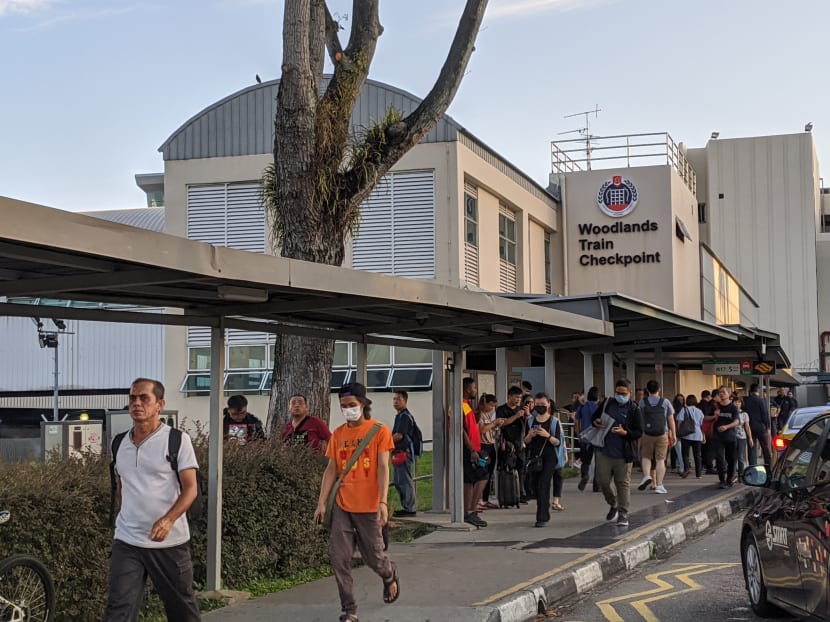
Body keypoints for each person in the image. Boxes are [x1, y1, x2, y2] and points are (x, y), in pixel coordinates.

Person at [104, 378, 201, 622]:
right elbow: (121, 486)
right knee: (118, 609)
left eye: (144, 398)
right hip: (127, 540)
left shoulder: (177, 440)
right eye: (132, 398)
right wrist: (124, 516)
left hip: (169, 543)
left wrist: (168, 520)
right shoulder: (119, 443)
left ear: (160, 404)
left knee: (181, 611)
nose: (137, 403)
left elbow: (191, 489)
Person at [314, 383, 398, 622]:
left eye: (352, 405)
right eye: (343, 406)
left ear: (363, 404)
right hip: (342, 504)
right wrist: (321, 503)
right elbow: (331, 470)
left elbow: (383, 467)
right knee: (339, 558)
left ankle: (389, 575)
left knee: (374, 557)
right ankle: (349, 609)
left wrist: (382, 502)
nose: (348, 410)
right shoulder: (338, 434)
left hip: (370, 506)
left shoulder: (379, 431)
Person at [592, 379, 643, 527]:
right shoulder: (607, 403)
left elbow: (638, 432)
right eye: (618, 393)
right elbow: (593, 418)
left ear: (630, 393)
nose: (620, 395)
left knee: (622, 483)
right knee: (603, 481)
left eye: (623, 393)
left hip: (623, 453)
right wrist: (596, 422)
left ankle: (623, 513)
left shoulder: (634, 409)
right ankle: (613, 502)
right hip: (604, 449)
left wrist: (625, 432)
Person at [524, 393, 565, 527]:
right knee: (534, 484)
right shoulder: (530, 421)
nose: (540, 407)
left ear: (548, 404)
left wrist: (547, 435)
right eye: (537, 405)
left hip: (549, 456)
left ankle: (542, 516)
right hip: (535, 456)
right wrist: (530, 435)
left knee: (543, 483)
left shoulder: (554, 422)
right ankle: (543, 504)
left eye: (543, 405)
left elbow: (558, 442)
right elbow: (525, 441)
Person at [638, 380, 675, 495]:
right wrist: (673, 434)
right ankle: (659, 485)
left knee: (646, 457)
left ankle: (647, 476)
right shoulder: (665, 402)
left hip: (647, 434)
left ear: (647, 390)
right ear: (659, 389)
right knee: (660, 460)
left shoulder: (642, 403)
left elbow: (639, 419)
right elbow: (671, 419)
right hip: (661, 434)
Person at [461, 377, 489, 527]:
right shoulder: (459, 404)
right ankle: (469, 511)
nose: (475, 390)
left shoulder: (467, 405)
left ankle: (470, 510)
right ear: (466, 388)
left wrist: (479, 409)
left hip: (475, 448)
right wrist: (471, 449)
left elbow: (471, 423)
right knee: (477, 477)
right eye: (473, 388)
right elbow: (461, 429)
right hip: (468, 449)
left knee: (473, 479)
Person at [496, 386, 530, 503]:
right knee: (508, 467)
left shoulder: (520, 409)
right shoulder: (501, 409)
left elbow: (526, 424)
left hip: (520, 442)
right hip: (507, 442)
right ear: (509, 396)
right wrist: (516, 416)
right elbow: (502, 423)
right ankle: (508, 493)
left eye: (520, 398)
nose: (518, 400)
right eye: (516, 397)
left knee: (522, 467)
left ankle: (521, 492)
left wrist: (526, 414)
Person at [391, 391, 417, 517]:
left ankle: (410, 508)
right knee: (398, 480)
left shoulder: (405, 417)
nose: (396, 401)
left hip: (404, 453)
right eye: (394, 399)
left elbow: (399, 435)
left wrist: (385, 442)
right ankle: (406, 506)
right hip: (398, 452)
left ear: (405, 401)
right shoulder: (400, 416)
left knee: (405, 480)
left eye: (398, 399)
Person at [711, 387, 740, 489]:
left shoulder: (733, 407)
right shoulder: (715, 406)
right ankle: (722, 480)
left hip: (730, 437)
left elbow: (737, 421)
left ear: (729, 394)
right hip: (717, 437)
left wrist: (727, 426)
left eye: (723, 392)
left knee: (731, 459)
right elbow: (705, 418)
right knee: (719, 458)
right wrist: (714, 416)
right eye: (720, 393)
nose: (721, 394)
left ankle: (729, 479)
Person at [477, 394, 502, 510]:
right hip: (482, 447)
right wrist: (493, 423)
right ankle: (478, 499)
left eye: (494, 406)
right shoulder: (479, 415)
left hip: (491, 445)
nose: (492, 408)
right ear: (485, 403)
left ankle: (485, 498)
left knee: (489, 473)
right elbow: (481, 430)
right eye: (491, 405)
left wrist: (496, 425)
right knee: (482, 473)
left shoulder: (488, 415)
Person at [574, 387, 600, 492]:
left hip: (585, 436)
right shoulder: (599, 407)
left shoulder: (582, 407)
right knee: (598, 461)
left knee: (585, 460)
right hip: (596, 437)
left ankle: (584, 475)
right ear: (597, 397)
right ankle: (596, 485)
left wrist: (578, 433)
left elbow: (576, 421)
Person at [742, 383, 772, 467]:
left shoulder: (745, 400)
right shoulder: (761, 400)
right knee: (765, 447)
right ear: (758, 391)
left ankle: (753, 467)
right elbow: (765, 414)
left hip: (749, 427)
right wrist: (768, 427)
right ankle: (768, 465)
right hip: (761, 427)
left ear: (749, 391)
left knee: (751, 448)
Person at [676, 394, 705, 478]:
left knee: (685, 454)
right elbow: (701, 424)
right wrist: (703, 435)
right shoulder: (699, 411)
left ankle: (687, 468)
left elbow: (679, 422)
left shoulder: (683, 410)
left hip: (686, 435)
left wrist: (679, 432)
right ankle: (698, 474)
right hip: (697, 434)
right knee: (697, 455)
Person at [733, 396, 754, 476]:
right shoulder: (731, 413)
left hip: (742, 437)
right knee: (732, 456)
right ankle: (732, 474)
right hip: (732, 437)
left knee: (740, 456)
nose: (737, 404)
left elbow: (747, 426)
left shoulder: (744, 414)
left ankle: (741, 474)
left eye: (739, 402)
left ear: (741, 404)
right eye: (735, 402)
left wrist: (750, 438)